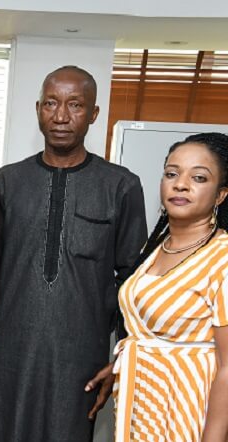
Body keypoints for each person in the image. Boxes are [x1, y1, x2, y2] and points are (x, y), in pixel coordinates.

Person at [0, 66, 148, 441]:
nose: (61, 116)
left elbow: (136, 282)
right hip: (5, 356)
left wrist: (121, 358)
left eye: (75, 105)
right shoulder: (7, 182)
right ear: (38, 109)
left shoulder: (121, 186)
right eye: (51, 103)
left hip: (79, 359)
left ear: (94, 114)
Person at [103, 132, 228, 442]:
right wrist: (120, 364)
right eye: (171, 173)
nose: (180, 183)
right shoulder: (156, 248)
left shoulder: (223, 257)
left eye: (198, 177)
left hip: (188, 414)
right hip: (141, 408)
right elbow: (150, 331)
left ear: (220, 195)